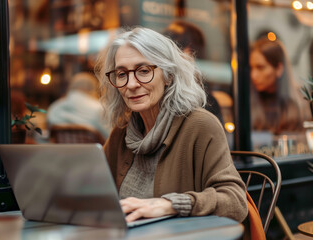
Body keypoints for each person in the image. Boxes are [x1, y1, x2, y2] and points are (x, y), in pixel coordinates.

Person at [94, 27, 247, 223]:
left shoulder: (200, 126)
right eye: (122, 74)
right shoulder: (121, 133)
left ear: (169, 76)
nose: (131, 84)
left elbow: (235, 201)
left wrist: (171, 204)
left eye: (143, 71)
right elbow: (93, 191)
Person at [163, 20, 224, 124]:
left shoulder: (208, 100)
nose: (187, 56)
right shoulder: (158, 94)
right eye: (180, 48)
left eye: (193, 51)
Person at [249, 37, 310, 135]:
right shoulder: (248, 104)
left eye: (260, 67)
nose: (253, 75)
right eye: (251, 68)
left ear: (279, 69)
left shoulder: (302, 103)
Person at [47, 72, 110, 139]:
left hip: (61, 149)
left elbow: (49, 135)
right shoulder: (99, 108)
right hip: (92, 149)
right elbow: (109, 136)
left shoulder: (54, 107)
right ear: (93, 88)